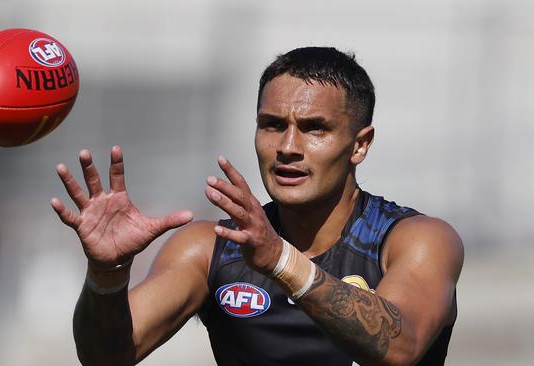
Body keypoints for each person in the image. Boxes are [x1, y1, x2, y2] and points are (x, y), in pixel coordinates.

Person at [51, 47, 464, 366]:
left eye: (314, 128)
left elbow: (400, 346)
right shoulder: (209, 249)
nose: (287, 147)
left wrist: (279, 260)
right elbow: (106, 358)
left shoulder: (415, 240)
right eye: (272, 125)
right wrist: (107, 275)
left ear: (360, 144)